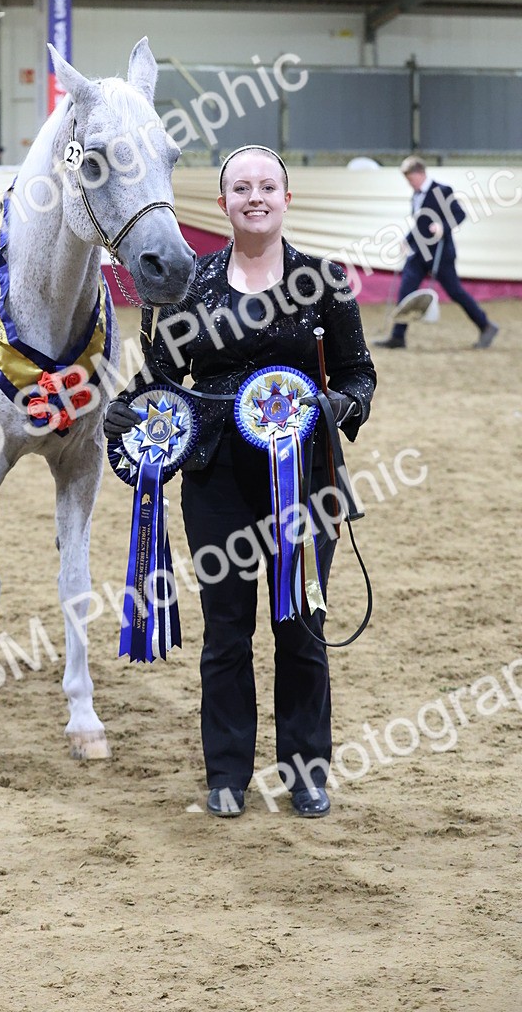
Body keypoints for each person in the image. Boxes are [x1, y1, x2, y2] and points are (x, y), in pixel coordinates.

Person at [104, 145, 377, 820]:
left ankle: (306, 773)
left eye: (268, 186)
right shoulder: (188, 285)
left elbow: (359, 374)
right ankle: (226, 773)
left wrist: (339, 406)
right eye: (242, 188)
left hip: (305, 478)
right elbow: (160, 379)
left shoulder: (324, 282)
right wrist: (127, 411)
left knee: (301, 626)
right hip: (214, 477)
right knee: (226, 630)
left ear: (287, 198)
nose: (256, 197)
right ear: (223, 203)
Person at [374, 155, 498, 350]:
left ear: (420, 173)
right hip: (419, 254)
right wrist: (407, 240)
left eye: (410, 179)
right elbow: (420, 224)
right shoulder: (416, 195)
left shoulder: (442, 191)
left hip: (440, 255)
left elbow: (459, 214)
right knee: (406, 291)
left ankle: (486, 326)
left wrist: (443, 227)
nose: (409, 183)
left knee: (455, 292)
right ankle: (398, 337)